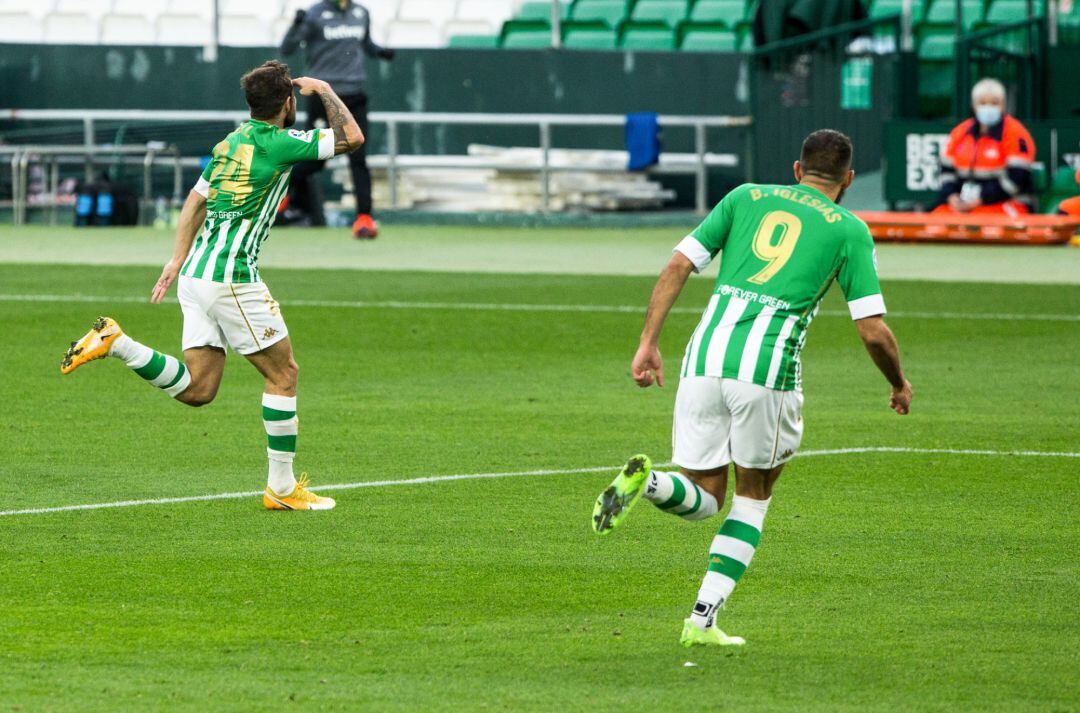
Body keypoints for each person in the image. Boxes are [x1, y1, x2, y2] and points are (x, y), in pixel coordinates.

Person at [591, 129, 913, 647]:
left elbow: (678, 264)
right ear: (849, 180)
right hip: (767, 370)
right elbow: (872, 330)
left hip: (703, 357)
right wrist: (898, 382)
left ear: (796, 169)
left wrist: (648, 343)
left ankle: (650, 484)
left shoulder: (744, 196)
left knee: (705, 496)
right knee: (752, 498)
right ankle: (701, 621)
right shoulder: (850, 229)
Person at [60, 60, 365, 511]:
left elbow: (195, 200)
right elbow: (352, 137)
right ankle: (281, 489)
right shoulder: (282, 142)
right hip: (231, 278)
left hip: (195, 275)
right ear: (287, 103)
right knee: (284, 375)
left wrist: (176, 258)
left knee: (199, 389)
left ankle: (117, 342)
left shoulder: (229, 143)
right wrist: (322, 88)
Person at [280, 0, 394, 239]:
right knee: (314, 158)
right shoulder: (315, 14)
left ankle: (364, 218)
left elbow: (365, 44)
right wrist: (296, 25)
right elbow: (287, 48)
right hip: (322, 96)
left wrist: (379, 52)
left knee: (358, 157)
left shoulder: (361, 13)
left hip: (354, 96)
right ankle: (279, 194)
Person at [932, 78, 1036, 217]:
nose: (988, 107)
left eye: (994, 103)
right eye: (982, 103)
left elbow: (1017, 178)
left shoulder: (1015, 133)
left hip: (1007, 203)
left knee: (981, 224)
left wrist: (980, 200)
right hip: (963, 203)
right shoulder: (960, 132)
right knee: (935, 221)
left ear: (1003, 105)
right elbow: (946, 171)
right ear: (974, 105)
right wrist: (952, 196)